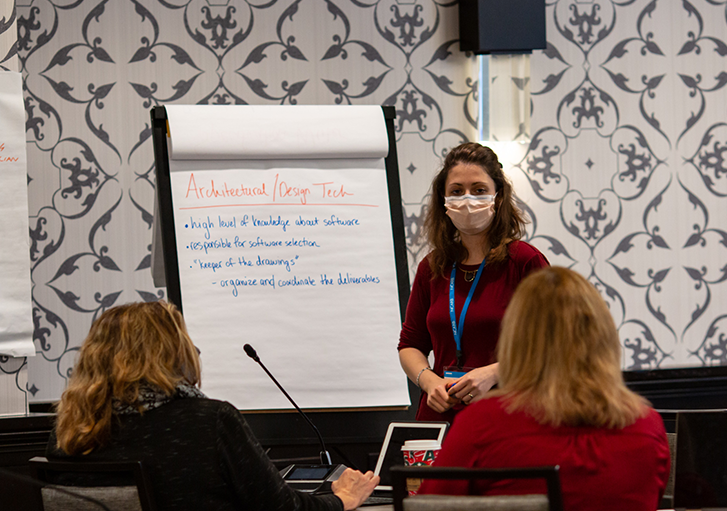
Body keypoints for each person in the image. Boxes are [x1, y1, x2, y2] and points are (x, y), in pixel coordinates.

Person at [47, 301, 379, 511]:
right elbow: (281, 508)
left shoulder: (71, 429)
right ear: (174, 352)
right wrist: (341, 499)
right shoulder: (210, 421)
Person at [419, 267, 671, 511]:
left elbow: (426, 507)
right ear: (604, 336)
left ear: (515, 339)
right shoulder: (647, 426)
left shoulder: (482, 423)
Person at [398, 142, 549, 422]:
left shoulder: (525, 261)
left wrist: (493, 373)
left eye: (479, 190)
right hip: (440, 416)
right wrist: (429, 381)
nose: (467, 199)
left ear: (498, 197)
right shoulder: (432, 267)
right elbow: (410, 344)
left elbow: (555, 344)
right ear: (443, 201)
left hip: (508, 415)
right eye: (456, 191)